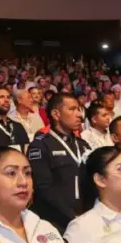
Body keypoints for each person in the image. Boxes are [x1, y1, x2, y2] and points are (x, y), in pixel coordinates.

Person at [27, 93, 93, 232]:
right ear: (56, 114)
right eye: (72, 109)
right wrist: (72, 217)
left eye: (79, 109)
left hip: (86, 218)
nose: (79, 115)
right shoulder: (40, 145)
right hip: (56, 222)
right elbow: (43, 188)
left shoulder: (83, 145)